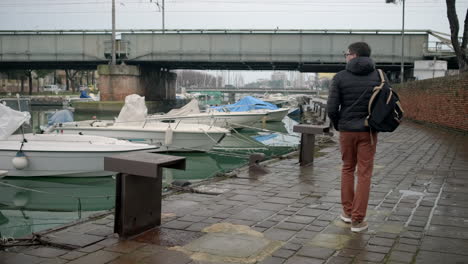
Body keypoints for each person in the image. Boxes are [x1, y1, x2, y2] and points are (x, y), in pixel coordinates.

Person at [327, 42, 383, 232]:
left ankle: (347, 213)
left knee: (348, 169)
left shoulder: (340, 77)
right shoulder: (379, 76)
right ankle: (358, 220)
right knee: (365, 173)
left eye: (346, 53)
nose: (345, 56)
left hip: (347, 131)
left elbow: (332, 108)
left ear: (353, 55)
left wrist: (339, 125)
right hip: (368, 130)